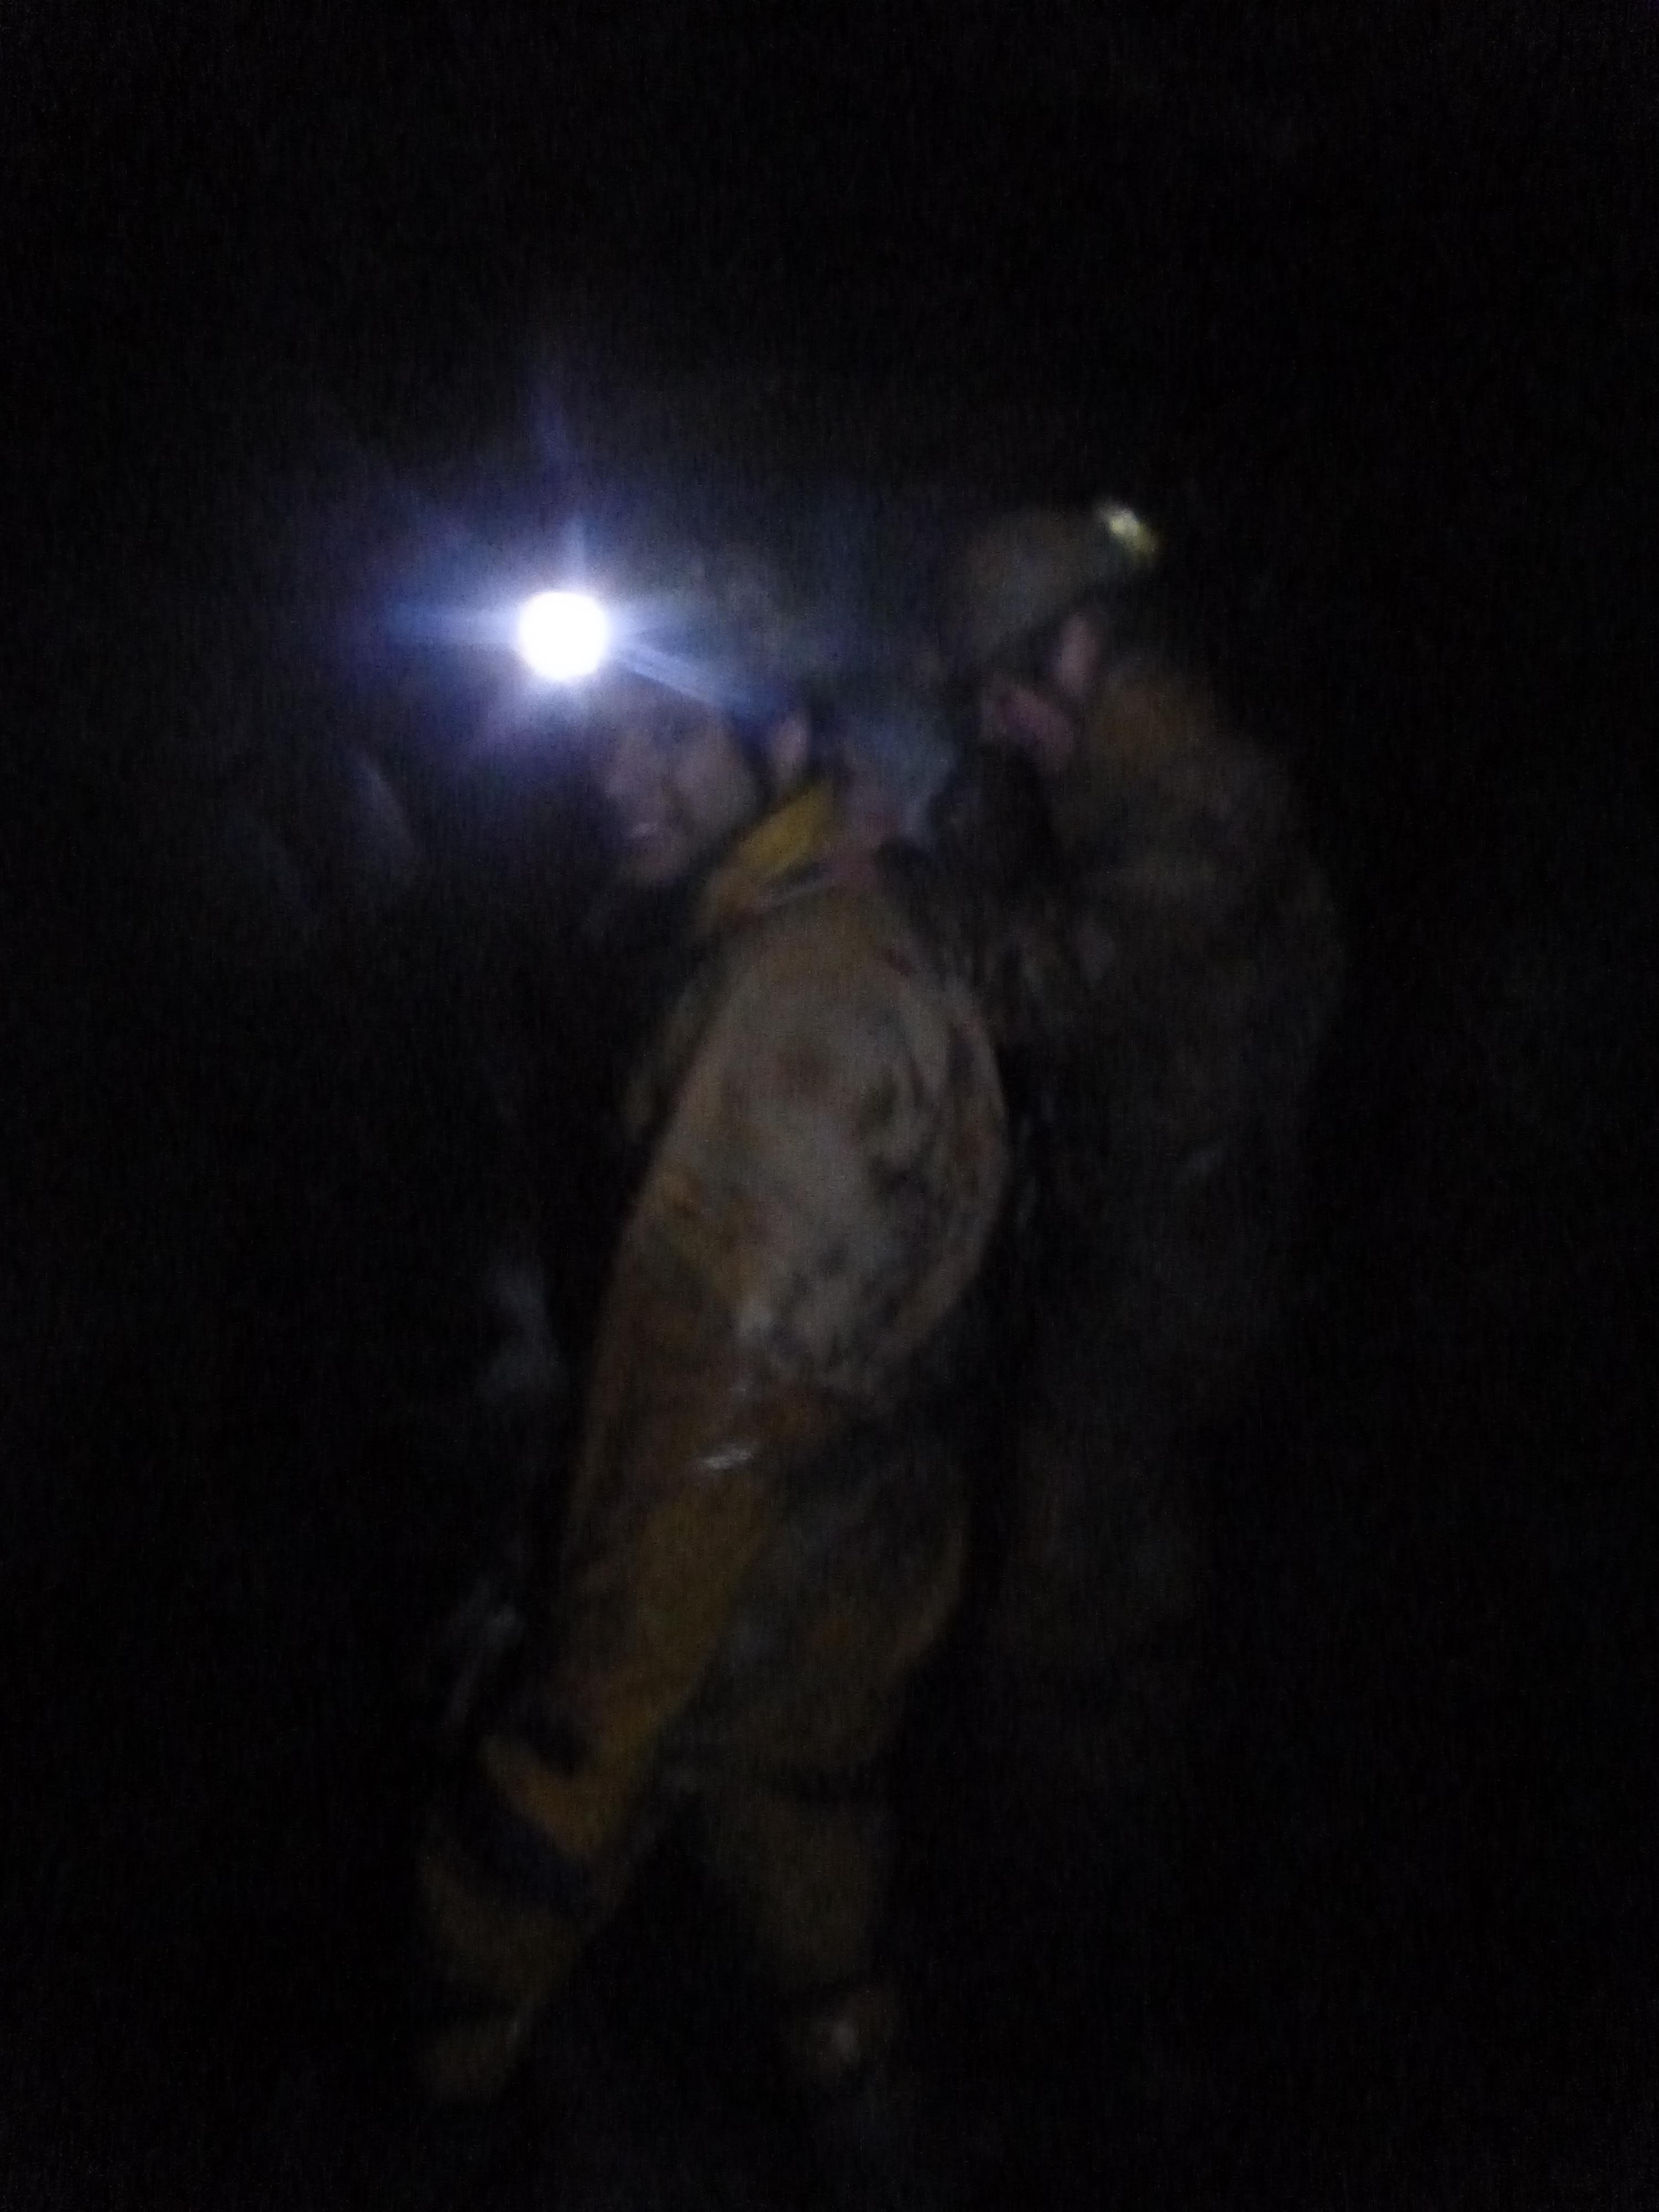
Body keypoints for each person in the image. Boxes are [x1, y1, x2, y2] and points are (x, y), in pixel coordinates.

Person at [411, 550, 1009, 2204]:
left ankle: (431, 2113)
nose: (620, 775)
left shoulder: (793, 1013)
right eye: (604, 733)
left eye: (669, 735)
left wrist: (570, 1751)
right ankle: (870, 2110)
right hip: (855, 1550)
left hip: (736, 1574)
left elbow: (699, 1441)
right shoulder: (835, 916)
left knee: (522, 1893)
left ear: (785, 737)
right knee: (809, 1869)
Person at [934, 499, 1344, 2086]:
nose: (994, 724)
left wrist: (891, 892)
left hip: (1179, 1291)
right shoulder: (1099, 783)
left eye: (1007, 689)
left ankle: (1093, 2000)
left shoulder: (1209, 803)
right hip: (1125, 1258)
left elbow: (1048, 985)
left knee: (1076, 1632)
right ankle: (1092, 1964)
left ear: (1086, 646)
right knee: (1089, 1613)